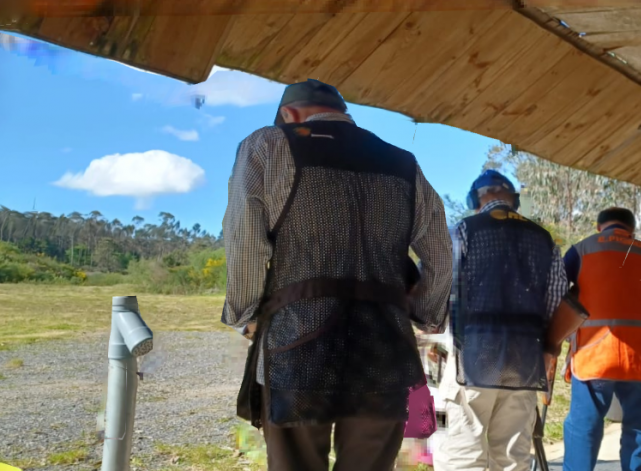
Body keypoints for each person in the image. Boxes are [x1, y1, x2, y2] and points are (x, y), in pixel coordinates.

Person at [222, 79, 452, 471]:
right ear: (345, 113)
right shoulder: (402, 162)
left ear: (288, 115)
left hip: (296, 346)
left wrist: (245, 314)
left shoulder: (268, 144)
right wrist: (426, 314)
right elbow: (440, 253)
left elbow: (244, 241)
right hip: (384, 347)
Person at [435, 170, 569, 471]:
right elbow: (558, 303)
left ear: (476, 200)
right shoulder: (544, 240)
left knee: (464, 452)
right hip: (525, 361)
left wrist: (436, 329)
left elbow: (441, 288)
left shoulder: (464, 230)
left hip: (472, 359)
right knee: (512, 457)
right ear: (514, 200)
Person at [561, 208, 641, 471]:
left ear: (598, 227)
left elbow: (556, 296)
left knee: (584, 426)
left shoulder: (581, 250)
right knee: (639, 425)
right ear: (632, 230)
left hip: (594, 356)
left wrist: (557, 342)